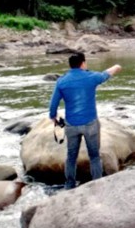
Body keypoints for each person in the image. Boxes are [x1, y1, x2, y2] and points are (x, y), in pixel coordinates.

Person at [48, 52, 122, 189]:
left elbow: (53, 105)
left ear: (70, 66)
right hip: (90, 124)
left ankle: (69, 185)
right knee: (94, 156)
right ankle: (97, 185)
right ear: (83, 63)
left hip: (71, 125)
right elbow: (106, 74)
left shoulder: (62, 81)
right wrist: (117, 66)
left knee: (71, 157)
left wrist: (53, 117)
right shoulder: (91, 77)